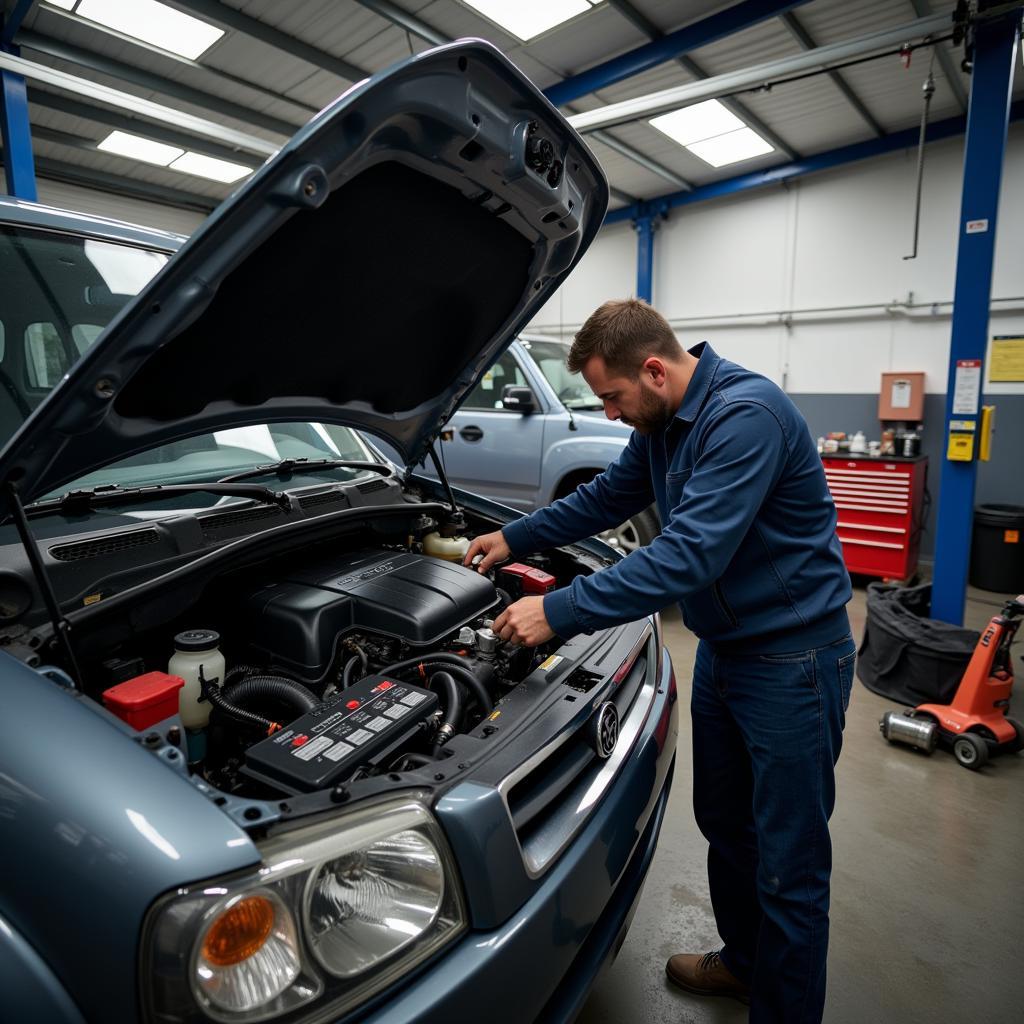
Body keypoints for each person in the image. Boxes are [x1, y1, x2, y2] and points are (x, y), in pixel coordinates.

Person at [464, 299, 853, 1024]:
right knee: (728, 826)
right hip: (728, 651)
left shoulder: (746, 417)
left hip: (793, 661)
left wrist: (557, 610)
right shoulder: (664, 422)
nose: (610, 415)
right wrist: (514, 536)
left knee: (790, 863)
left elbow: (689, 554)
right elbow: (611, 495)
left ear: (653, 369)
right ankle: (745, 964)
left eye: (612, 397)